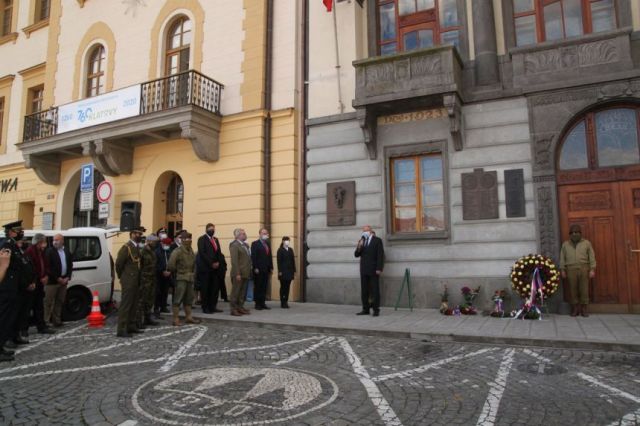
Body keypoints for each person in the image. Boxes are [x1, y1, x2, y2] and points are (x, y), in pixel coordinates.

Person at [0, 221, 30, 361]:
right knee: (4, 318)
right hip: (7, 287)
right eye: (19, 231)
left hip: (13, 287)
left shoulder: (13, 244)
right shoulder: (7, 244)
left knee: (9, 318)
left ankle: (2, 348)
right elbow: (5, 266)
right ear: (12, 232)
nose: (21, 233)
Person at [560, 224, 596, 317]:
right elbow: (562, 258)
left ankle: (584, 309)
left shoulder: (586, 243)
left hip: (584, 268)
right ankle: (575, 308)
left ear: (580, 233)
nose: (574, 234)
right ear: (569, 234)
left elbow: (591, 256)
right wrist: (562, 270)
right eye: (572, 232)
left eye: (577, 232)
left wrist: (592, 269)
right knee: (573, 289)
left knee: (584, 289)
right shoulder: (565, 244)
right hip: (570, 269)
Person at [115, 227, 145, 337]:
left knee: (134, 304)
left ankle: (131, 325)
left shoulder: (136, 247)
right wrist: (123, 277)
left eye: (140, 234)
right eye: (137, 233)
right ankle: (121, 329)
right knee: (126, 305)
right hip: (128, 280)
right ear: (131, 234)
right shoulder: (126, 248)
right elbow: (119, 264)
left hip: (136, 280)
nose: (139, 235)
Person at [167, 231, 201, 326]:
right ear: (182, 240)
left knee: (188, 299)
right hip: (181, 278)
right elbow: (171, 265)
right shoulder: (177, 251)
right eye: (187, 239)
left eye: (190, 239)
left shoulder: (190, 251)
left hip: (190, 278)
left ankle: (188, 317)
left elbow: (194, 264)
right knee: (178, 299)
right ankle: (175, 319)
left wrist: (193, 274)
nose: (189, 240)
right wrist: (178, 272)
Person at [25, 234, 54, 335]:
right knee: (28, 308)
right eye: (44, 242)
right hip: (33, 283)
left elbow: (46, 265)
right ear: (39, 242)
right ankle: (23, 330)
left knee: (39, 306)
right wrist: (38, 278)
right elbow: (31, 269)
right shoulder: (30, 251)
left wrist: (46, 276)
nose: (45, 244)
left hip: (40, 283)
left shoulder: (41, 252)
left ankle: (41, 327)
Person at [354, 225, 384, 317]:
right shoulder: (362, 241)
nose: (364, 232)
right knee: (364, 290)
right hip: (364, 269)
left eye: (365, 230)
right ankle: (365, 309)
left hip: (373, 269)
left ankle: (376, 310)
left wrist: (379, 268)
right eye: (363, 231)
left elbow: (380, 255)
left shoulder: (377, 240)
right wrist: (359, 246)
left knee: (375, 290)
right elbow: (356, 254)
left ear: (370, 231)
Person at [196, 223, 227, 314]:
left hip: (215, 269)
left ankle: (212, 306)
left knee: (214, 289)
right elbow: (202, 253)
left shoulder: (215, 240)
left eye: (213, 229)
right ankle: (205, 307)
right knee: (205, 289)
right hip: (205, 268)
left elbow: (219, 252)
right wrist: (211, 263)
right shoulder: (202, 239)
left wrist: (218, 263)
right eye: (210, 229)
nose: (212, 230)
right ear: (206, 230)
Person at [45, 234, 73, 328]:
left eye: (57, 240)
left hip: (64, 280)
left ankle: (56, 320)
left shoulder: (66, 251)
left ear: (62, 241)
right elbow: (48, 267)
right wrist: (57, 278)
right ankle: (46, 322)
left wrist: (67, 277)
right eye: (54, 240)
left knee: (60, 301)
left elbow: (70, 265)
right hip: (52, 282)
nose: (55, 242)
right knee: (48, 302)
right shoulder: (49, 251)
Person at [12, 236, 36, 343]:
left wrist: (34, 282)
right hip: (20, 289)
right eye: (21, 240)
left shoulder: (24, 254)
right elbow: (19, 273)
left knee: (24, 313)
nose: (24, 242)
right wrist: (27, 284)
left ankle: (19, 334)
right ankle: (12, 337)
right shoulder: (15, 254)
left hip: (29, 288)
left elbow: (32, 269)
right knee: (16, 314)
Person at [137, 234, 160, 328]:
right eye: (154, 242)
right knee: (142, 300)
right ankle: (139, 321)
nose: (155, 244)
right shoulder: (142, 252)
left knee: (150, 300)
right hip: (144, 279)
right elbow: (139, 267)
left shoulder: (153, 252)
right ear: (149, 241)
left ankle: (148, 318)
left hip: (152, 279)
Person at [229, 228, 252, 316]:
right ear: (237, 236)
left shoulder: (245, 245)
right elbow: (234, 261)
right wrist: (237, 273)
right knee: (236, 292)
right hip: (238, 273)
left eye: (244, 233)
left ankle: (240, 307)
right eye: (243, 234)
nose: (245, 235)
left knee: (242, 292)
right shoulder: (234, 245)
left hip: (246, 272)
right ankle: (233, 309)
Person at [251, 228, 273, 310]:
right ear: (259, 234)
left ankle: (263, 303)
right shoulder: (255, 244)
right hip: (258, 269)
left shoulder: (267, 244)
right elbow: (253, 257)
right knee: (258, 287)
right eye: (263, 233)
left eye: (266, 233)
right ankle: (257, 304)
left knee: (264, 287)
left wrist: (271, 267)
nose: (265, 235)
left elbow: (269, 256)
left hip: (266, 269)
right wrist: (255, 267)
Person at [154, 237, 174, 317]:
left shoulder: (170, 251)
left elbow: (172, 262)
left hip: (168, 274)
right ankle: (156, 308)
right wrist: (162, 271)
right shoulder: (157, 252)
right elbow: (156, 263)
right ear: (162, 243)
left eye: (168, 244)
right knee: (158, 293)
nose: (167, 246)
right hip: (159, 275)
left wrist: (170, 271)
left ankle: (163, 306)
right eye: (166, 244)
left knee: (165, 292)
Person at [276, 236, 296, 309]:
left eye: (288, 240)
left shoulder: (290, 250)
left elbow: (293, 260)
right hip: (283, 272)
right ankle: (282, 302)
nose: (287, 241)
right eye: (286, 240)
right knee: (283, 287)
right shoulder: (280, 250)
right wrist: (280, 271)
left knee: (287, 287)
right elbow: (279, 261)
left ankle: (286, 301)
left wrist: (294, 270)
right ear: (283, 241)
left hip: (290, 271)